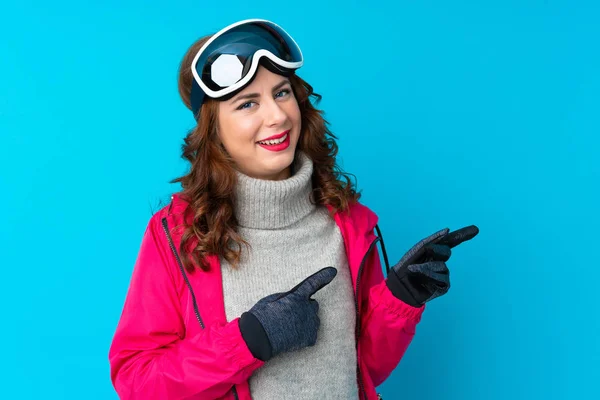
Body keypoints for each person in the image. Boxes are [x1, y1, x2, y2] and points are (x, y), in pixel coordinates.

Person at [108, 18, 479, 400]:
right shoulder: (177, 235)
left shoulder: (348, 222)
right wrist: (250, 339)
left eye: (282, 93)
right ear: (214, 128)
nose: (278, 116)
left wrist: (400, 300)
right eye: (248, 103)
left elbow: (362, 368)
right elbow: (138, 382)